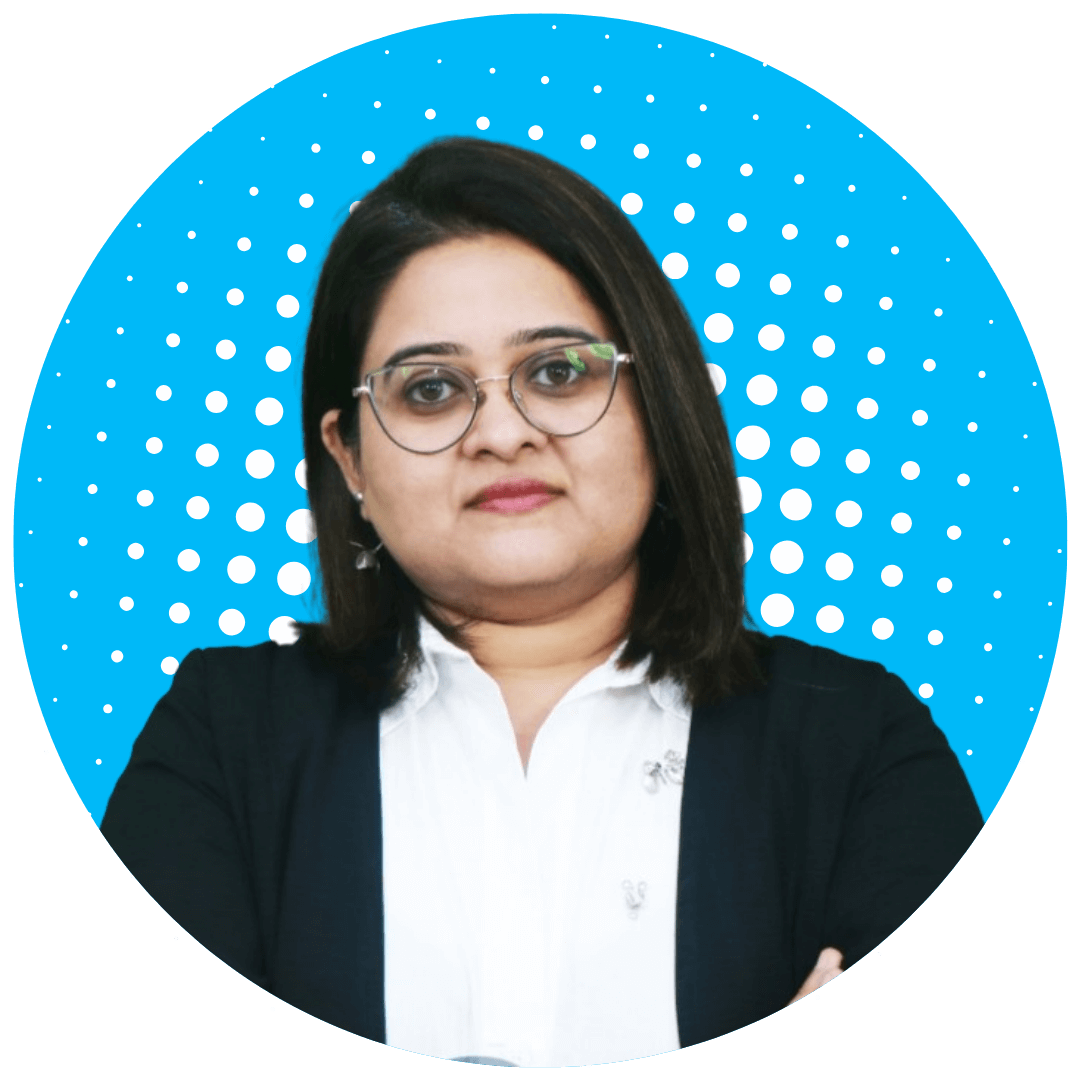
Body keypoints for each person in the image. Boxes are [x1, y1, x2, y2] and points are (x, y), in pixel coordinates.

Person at [99, 136, 984, 1066]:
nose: (502, 433)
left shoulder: (859, 740)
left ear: (659, 405)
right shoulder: (222, 735)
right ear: (350, 457)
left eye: (559, 373)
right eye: (430, 389)